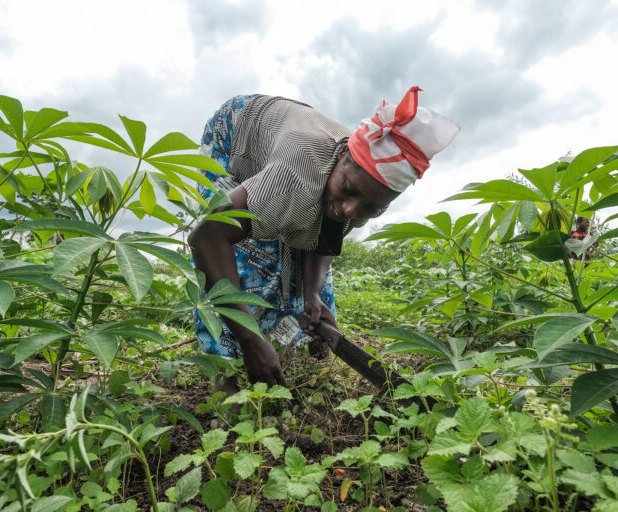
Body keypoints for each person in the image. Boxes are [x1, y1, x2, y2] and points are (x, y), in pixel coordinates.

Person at [188, 86, 459, 391]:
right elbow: (207, 238)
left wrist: (311, 294)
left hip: (297, 145)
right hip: (239, 131)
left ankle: (288, 346)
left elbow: (326, 236)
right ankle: (231, 374)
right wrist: (249, 339)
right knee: (251, 258)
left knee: (304, 263)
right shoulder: (293, 177)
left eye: (369, 206)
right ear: (343, 155)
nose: (349, 210)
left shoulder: (367, 196)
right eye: (349, 189)